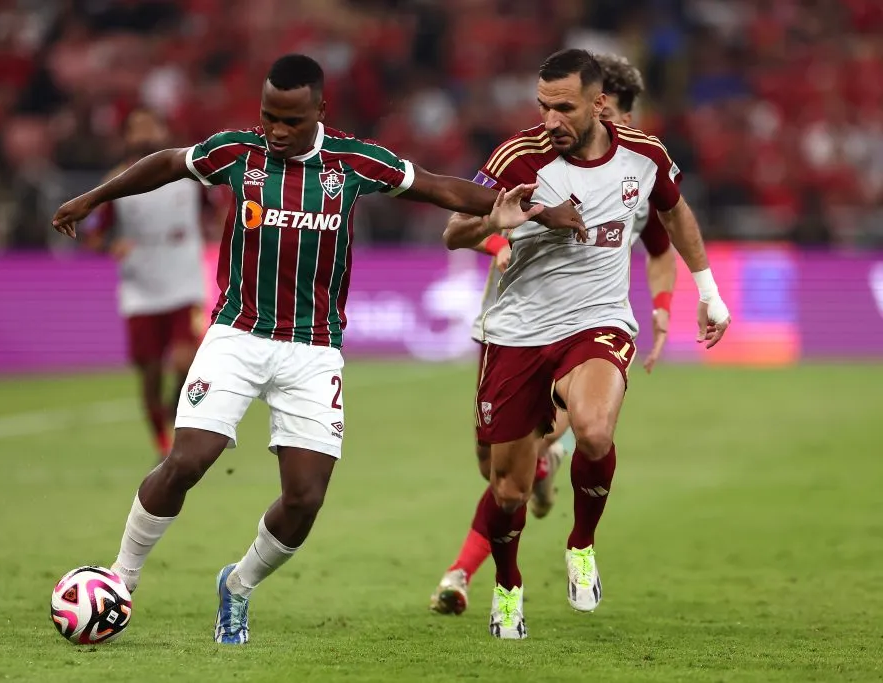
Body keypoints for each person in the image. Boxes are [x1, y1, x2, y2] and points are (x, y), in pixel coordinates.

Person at [51, 54, 585, 645]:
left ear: (320, 112)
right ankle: (120, 579)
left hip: (314, 350)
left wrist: (529, 210)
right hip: (238, 335)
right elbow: (167, 162)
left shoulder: (353, 162)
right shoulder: (238, 153)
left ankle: (238, 585)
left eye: (291, 121)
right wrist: (93, 198)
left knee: (305, 498)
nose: (277, 131)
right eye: (269, 117)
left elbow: (438, 187)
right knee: (188, 459)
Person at [441, 48, 731, 639]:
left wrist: (707, 291)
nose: (551, 120)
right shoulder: (518, 157)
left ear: (599, 104)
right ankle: (508, 584)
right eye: (543, 107)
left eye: (564, 108)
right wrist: (502, 222)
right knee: (506, 486)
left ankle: (581, 544)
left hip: (597, 321)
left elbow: (674, 218)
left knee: (594, 430)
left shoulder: (644, 155)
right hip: (518, 332)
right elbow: (454, 232)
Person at [81, 107, 211, 460]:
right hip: (141, 288)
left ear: (164, 131)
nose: (144, 135)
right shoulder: (117, 183)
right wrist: (111, 244)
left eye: (150, 127)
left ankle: (176, 413)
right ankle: (162, 445)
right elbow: (92, 234)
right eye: (137, 128)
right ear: (126, 137)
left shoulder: (190, 173)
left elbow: (215, 211)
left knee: (186, 361)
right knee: (150, 373)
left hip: (184, 280)